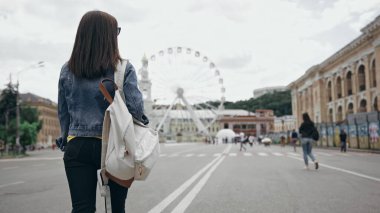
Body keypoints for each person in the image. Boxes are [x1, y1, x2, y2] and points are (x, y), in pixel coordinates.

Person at [58, 11, 149, 213]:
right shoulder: (124, 68)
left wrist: (65, 139)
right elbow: (135, 110)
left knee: (82, 208)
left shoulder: (67, 69)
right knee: (116, 208)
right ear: (109, 36)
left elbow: (63, 112)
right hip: (115, 146)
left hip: (78, 145)